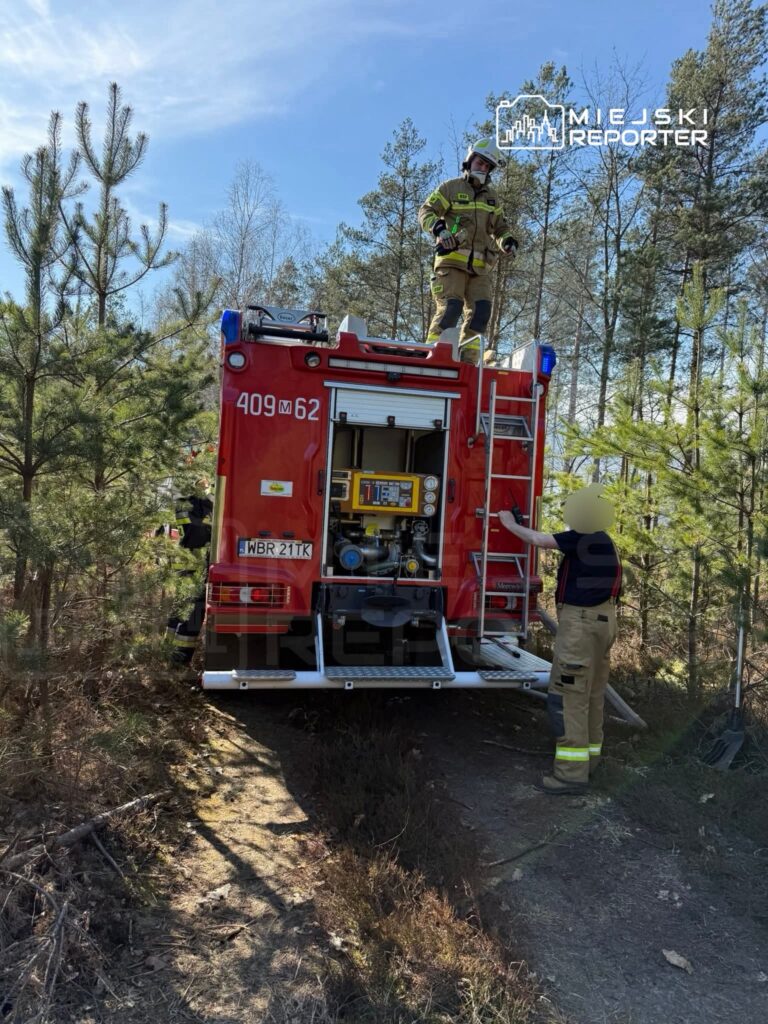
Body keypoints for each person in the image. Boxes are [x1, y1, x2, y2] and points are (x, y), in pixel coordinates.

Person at [498, 484, 622, 794]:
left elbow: (540, 540)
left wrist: (509, 525)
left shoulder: (583, 535)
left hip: (581, 625)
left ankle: (569, 776)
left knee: (568, 697)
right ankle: (590, 764)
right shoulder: (604, 540)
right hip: (603, 623)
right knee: (591, 695)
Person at [418, 139, 519, 365]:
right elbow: (426, 211)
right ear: (470, 159)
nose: (482, 168)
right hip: (451, 263)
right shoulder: (451, 188)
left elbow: (500, 227)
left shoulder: (492, 198)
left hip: (480, 268)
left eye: (487, 166)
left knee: (481, 312)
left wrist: (507, 240)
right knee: (450, 308)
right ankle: (432, 357)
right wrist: (438, 227)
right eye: (480, 162)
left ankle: (467, 363)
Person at [165, 481, 213, 666]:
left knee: (180, 610)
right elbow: (199, 530)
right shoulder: (190, 503)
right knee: (193, 613)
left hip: (188, 565)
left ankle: (168, 652)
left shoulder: (186, 500)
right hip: (195, 566)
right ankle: (179, 661)